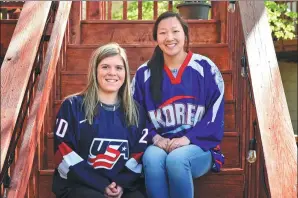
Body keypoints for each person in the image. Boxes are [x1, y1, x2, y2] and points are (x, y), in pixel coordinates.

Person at [131, 11, 225, 198]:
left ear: (185, 35)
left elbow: (215, 116)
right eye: (163, 33)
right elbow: (135, 117)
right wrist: (156, 138)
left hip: (198, 147)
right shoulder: (144, 74)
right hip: (159, 144)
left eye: (175, 31)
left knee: (176, 160)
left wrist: (187, 139)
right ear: (156, 38)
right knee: (151, 157)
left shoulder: (205, 68)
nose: (169, 37)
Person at [52, 43, 148, 198]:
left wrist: (121, 183)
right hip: (80, 186)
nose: (112, 73)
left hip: (122, 187)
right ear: (95, 70)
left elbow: (139, 154)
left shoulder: (137, 112)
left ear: (125, 73)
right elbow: (63, 153)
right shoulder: (72, 106)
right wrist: (101, 185)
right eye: (105, 67)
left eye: (118, 68)